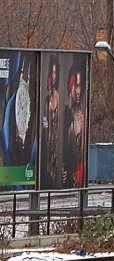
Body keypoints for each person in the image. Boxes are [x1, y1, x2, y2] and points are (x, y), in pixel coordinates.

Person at [41, 55, 62, 188]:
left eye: (56, 72)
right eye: (52, 72)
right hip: (47, 137)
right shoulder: (47, 97)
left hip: (55, 137)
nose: (54, 76)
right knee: (47, 163)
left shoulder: (57, 95)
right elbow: (44, 118)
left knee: (54, 162)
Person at [63, 66, 86, 187]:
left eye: (80, 86)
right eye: (76, 86)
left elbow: (82, 151)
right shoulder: (65, 115)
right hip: (65, 172)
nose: (78, 91)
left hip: (77, 173)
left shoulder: (82, 116)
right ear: (70, 86)